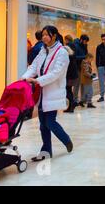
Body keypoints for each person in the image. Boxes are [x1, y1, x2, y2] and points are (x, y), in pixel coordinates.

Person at [22, 25, 73, 161]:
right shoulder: (43, 51)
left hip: (53, 92)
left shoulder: (62, 52)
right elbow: (33, 66)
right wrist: (24, 78)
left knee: (50, 122)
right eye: (43, 34)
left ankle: (66, 139)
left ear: (54, 36)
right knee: (42, 125)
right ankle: (46, 151)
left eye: (47, 34)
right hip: (41, 93)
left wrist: (38, 80)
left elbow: (56, 73)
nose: (44, 37)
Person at [63, 35, 79, 113]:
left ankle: (71, 105)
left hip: (69, 74)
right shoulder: (74, 48)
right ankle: (71, 106)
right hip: (73, 73)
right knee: (69, 90)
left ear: (66, 40)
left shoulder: (67, 48)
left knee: (67, 90)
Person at [73, 34, 89, 106]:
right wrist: (84, 57)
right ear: (81, 40)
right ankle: (75, 100)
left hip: (83, 67)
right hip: (77, 68)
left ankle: (83, 99)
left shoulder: (84, 45)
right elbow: (75, 57)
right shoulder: (76, 45)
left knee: (83, 84)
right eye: (85, 41)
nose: (86, 43)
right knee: (77, 84)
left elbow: (86, 54)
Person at [96, 34, 105, 103]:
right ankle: (102, 96)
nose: (103, 41)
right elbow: (97, 57)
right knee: (101, 82)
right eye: (102, 39)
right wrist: (98, 66)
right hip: (101, 66)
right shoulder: (99, 47)